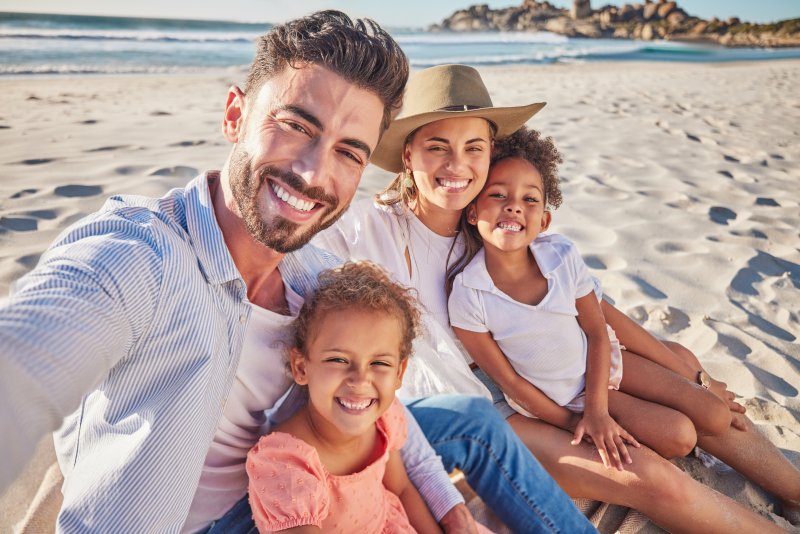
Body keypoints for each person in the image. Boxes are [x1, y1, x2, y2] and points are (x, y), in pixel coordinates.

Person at [0, 12, 594, 533]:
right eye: (297, 126)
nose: (314, 173)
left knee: (470, 419)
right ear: (235, 115)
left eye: (348, 151)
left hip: (296, 478)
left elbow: (391, 418)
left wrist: (452, 514)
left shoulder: (315, 273)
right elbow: (22, 368)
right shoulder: (138, 260)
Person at [313, 63, 795, 531]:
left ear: (489, 153)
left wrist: (696, 375)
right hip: (495, 408)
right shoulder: (367, 231)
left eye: (473, 148)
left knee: (686, 364)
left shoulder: (494, 218)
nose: (457, 165)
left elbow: (596, 309)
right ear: (407, 156)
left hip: (559, 360)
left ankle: (793, 491)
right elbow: (296, 256)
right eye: (437, 147)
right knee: (645, 475)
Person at [247, 261, 491, 533]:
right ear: (302, 367)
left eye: (379, 364)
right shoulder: (286, 463)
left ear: (400, 373)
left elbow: (401, 488)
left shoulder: (384, 419)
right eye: (338, 359)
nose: (360, 379)